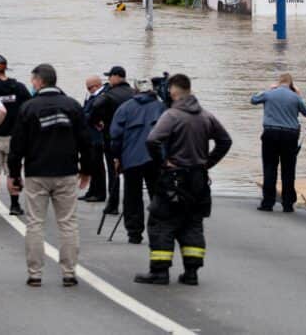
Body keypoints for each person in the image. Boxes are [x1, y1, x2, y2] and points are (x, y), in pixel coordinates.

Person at [135, 74, 232, 286]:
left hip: (174, 178)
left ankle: (160, 272)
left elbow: (152, 140)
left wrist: (162, 162)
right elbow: (225, 141)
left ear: (173, 91)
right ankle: (191, 273)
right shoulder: (206, 116)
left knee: (161, 223)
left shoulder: (172, 115)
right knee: (192, 223)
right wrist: (207, 163)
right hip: (198, 179)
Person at [8, 63, 92, 287]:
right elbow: (86, 141)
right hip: (66, 172)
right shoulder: (73, 106)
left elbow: (18, 145)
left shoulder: (28, 108)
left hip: (37, 172)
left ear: (39, 81)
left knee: (35, 223)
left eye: (33, 80)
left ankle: (35, 273)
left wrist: (14, 174)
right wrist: (86, 169)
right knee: (68, 223)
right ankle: (69, 272)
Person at [110, 79, 167, 244]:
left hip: (131, 158)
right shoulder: (161, 107)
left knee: (132, 196)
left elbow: (115, 136)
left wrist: (117, 157)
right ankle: (158, 232)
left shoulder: (125, 108)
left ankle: (134, 233)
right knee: (157, 196)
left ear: (136, 91)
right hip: (155, 158)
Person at [251, 73, 306, 213]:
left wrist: (269, 90)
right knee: (288, 170)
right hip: (290, 136)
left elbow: (253, 99)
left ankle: (267, 203)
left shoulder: (269, 94)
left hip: (270, 133)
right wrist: (299, 95)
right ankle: (287, 204)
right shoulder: (295, 97)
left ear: (278, 83)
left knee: (269, 168)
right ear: (291, 84)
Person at [0, 53, 32, 216]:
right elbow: (29, 111)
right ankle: (15, 205)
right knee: (14, 171)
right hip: (15, 137)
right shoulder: (19, 88)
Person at [88, 66, 135, 214]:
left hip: (113, 138)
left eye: (110, 77)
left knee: (113, 170)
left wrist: (96, 122)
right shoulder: (134, 93)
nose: (108, 80)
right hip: (132, 138)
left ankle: (113, 204)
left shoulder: (109, 94)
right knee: (132, 173)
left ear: (116, 77)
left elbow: (95, 106)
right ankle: (131, 204)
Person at [80, 76, 107, 202]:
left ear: (96, 85)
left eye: (90, 87)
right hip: (90, 136)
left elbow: (90, 115)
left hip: (97, 137)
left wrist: (84, 115)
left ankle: (100, 193)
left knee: (98, 166)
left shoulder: (101, 97)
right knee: (93, 165)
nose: (89, 90)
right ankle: (92, 191)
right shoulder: (92, 97)